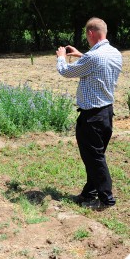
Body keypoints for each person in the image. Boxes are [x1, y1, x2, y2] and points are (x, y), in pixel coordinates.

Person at [56, 17, 123, 210]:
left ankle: (106, 199)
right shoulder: (114, 53)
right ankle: (89, 193)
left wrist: (62, 56)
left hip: (91, 117)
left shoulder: (93, 58)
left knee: (94, 158)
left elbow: (66, 71)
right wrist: (81, 55)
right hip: (107, 114)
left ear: (91, 33)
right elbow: (95, 64)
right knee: (95, 156)